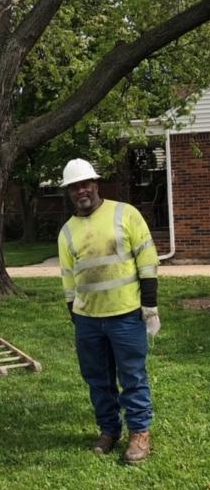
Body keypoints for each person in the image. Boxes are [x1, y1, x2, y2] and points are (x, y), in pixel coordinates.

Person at [57, 159, 160, 464]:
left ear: (96, 184)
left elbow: (147, 258)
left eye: (85, 183)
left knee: (132, 376)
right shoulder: (67, 232)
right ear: (69, 191)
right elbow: (68, 277)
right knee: (97, 379)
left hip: (126, 314)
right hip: (88, 320)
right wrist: (74, 314)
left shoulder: (124, 214)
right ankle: (109, 430)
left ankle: (140, 433)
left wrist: (150, 306)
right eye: (74, 186)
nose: (81, 190)